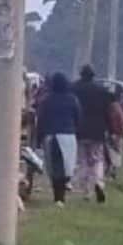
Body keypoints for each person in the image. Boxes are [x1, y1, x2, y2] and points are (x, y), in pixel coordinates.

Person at [36, 73, 81, 206]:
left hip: (50, 136)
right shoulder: (73, 99)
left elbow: (41, 119)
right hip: (68, 136)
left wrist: (38, 138)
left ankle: (58, 197)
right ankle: (61, 195)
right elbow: (78, 117)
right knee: (67, 167)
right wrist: (76, 131)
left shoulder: (46, 100)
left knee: (54, 168)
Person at [72, 65, 113, 203]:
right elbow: (108, 112)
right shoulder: (102, 91)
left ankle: (86, 192)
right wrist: (109, 129)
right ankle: (99, 183)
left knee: (82, 160)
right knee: (97, 160)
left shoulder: (73, 89)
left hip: (79, 130)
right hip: (97, 131)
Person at [105, 91, 123, 179]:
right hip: (119, 134)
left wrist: (111, 134)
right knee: (116, 153)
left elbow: (112, 121)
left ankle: (110, 172)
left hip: (114, 134)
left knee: (111, 153)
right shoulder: (118, 107)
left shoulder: (112, 108)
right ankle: (113, 172)